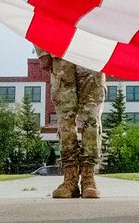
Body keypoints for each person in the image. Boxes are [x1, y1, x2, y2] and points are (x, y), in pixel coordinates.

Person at [35, 47, 106, 198]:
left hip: (92, 54)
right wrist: (42, 52)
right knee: (65, 121)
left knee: (92, 119)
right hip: (61, 54)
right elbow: (39, 22)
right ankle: (70, 179)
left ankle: (88, 178)